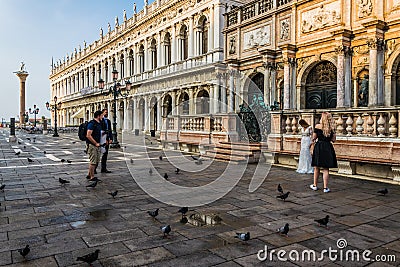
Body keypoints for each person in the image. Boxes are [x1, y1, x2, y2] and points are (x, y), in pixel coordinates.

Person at [310, 112, 337, 193]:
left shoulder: (317, 126)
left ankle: (315, 185)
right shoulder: (331, 128)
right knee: (326, 168)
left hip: (319, 147)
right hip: (328, 147)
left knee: (316, 167)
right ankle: (325, 188)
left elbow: (314, 138)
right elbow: (334, 140)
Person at [86, 110, 103, 181]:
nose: (103, 117)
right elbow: (88, 135)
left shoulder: (99, 123)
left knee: (96, 161)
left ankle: (89, 174)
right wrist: (95, 143)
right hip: (92, 145)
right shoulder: (92, 123)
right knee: (93, 162)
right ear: (98, 116)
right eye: (101, 115)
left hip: (98, 145)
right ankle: (92, 177)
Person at [100, 108, 112, 173]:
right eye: (105, 112)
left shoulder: (108, 121)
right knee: (98, 154)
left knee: (105, 154)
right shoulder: (100, 121)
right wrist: (104, 139)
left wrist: (111, 138)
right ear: (102, 113)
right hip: (101, 139)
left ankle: (103, 168)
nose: (106, 113)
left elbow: (110, 130)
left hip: (106, 139)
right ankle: (94, 169)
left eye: (107, 112)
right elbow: (101, 131)